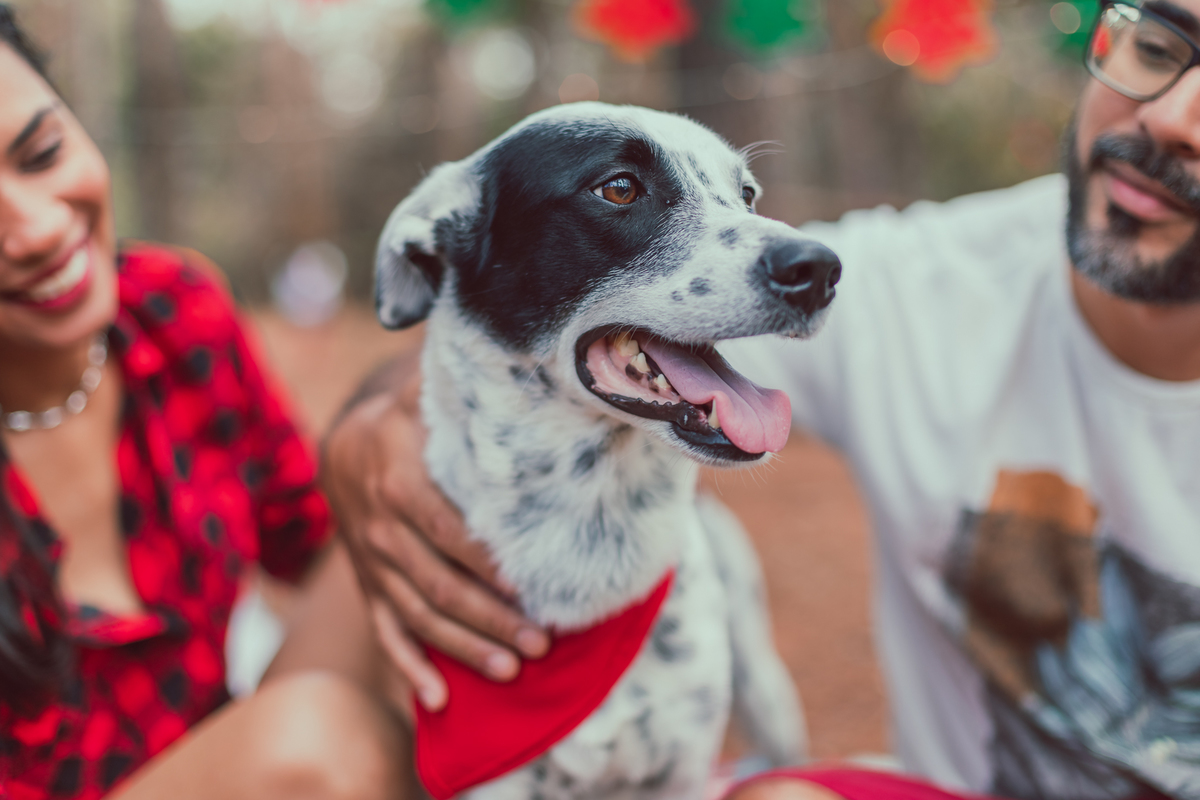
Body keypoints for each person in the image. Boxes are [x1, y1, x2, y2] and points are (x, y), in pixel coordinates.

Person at [322, 1, 1200, 798]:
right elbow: (495, 347)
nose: (1170, 117)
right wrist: (364, 434)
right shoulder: (929, 286)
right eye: (1160, 47)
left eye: (739, 196)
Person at [0, 8, 411, 799]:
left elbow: (319, 545)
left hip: (234, 755)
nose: (40, 230)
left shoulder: (172, 311)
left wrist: (377, 431)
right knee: (319, 740)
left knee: (429, 449)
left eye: (43, 153)